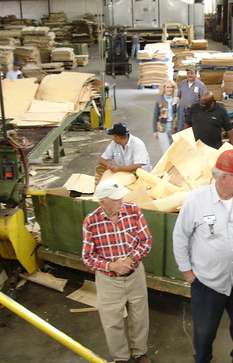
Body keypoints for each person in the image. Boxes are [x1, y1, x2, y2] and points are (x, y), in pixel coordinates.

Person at [173, 149, 233, 363]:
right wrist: (188, 273)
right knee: (204, 335)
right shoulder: (195, 201)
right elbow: (180, 237)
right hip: (207, 284)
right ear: (224, 178)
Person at [82, 179, 153, 363]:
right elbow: (88, 256)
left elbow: (146, 241)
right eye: (115, 200)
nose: (120, 202)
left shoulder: (133, 210)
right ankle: (121, 358)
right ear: (101, 202)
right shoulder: (91, 221)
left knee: (140, 317)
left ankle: (140, 352)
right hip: (109, 280)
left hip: (135, 274)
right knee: (112, 321)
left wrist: (130, 260)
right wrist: (112, 266)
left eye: (121, 197)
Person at [177, 64, 207, 131]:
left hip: (194, 114)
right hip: (182, 113)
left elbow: (204, 101)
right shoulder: (182, 83)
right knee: (181, 132)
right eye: (188, 73)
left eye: (192, 73)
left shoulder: (201, 85)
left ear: (196, 73)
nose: (190, 75)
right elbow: (178, 96)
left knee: (193, 134)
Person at [152, 78, 179, 154]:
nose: (169, 89)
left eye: (171, 87)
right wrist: (154, 130)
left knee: (173, 151)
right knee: (166, 152)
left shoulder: (176, 100)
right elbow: (155, 116)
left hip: (174, 127)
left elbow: (179, 116)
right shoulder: (159, 100)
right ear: (163, 88)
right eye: (167, 87)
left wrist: (179, 130)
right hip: (162, 128)